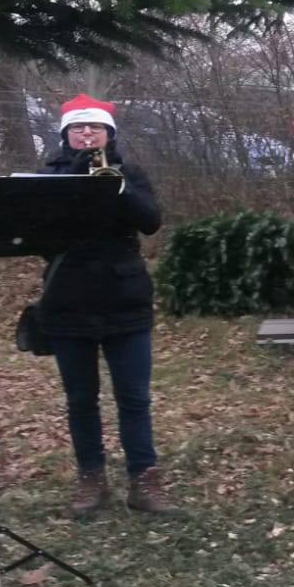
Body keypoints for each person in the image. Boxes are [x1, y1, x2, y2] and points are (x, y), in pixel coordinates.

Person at [37, 94, 180, 517]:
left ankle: (143, 480)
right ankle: (91, 479)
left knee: (134, 397)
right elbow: (40, 235)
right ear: (66, 135)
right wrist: (76, 184)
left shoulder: (129, 172)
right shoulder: (48, 175)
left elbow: (150, 221)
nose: (86, 133)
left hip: (124, 299)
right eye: (78, 128)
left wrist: (114, 185)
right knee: (81, 399)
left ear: (108, 134)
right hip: (68, 300)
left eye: (94, 128)